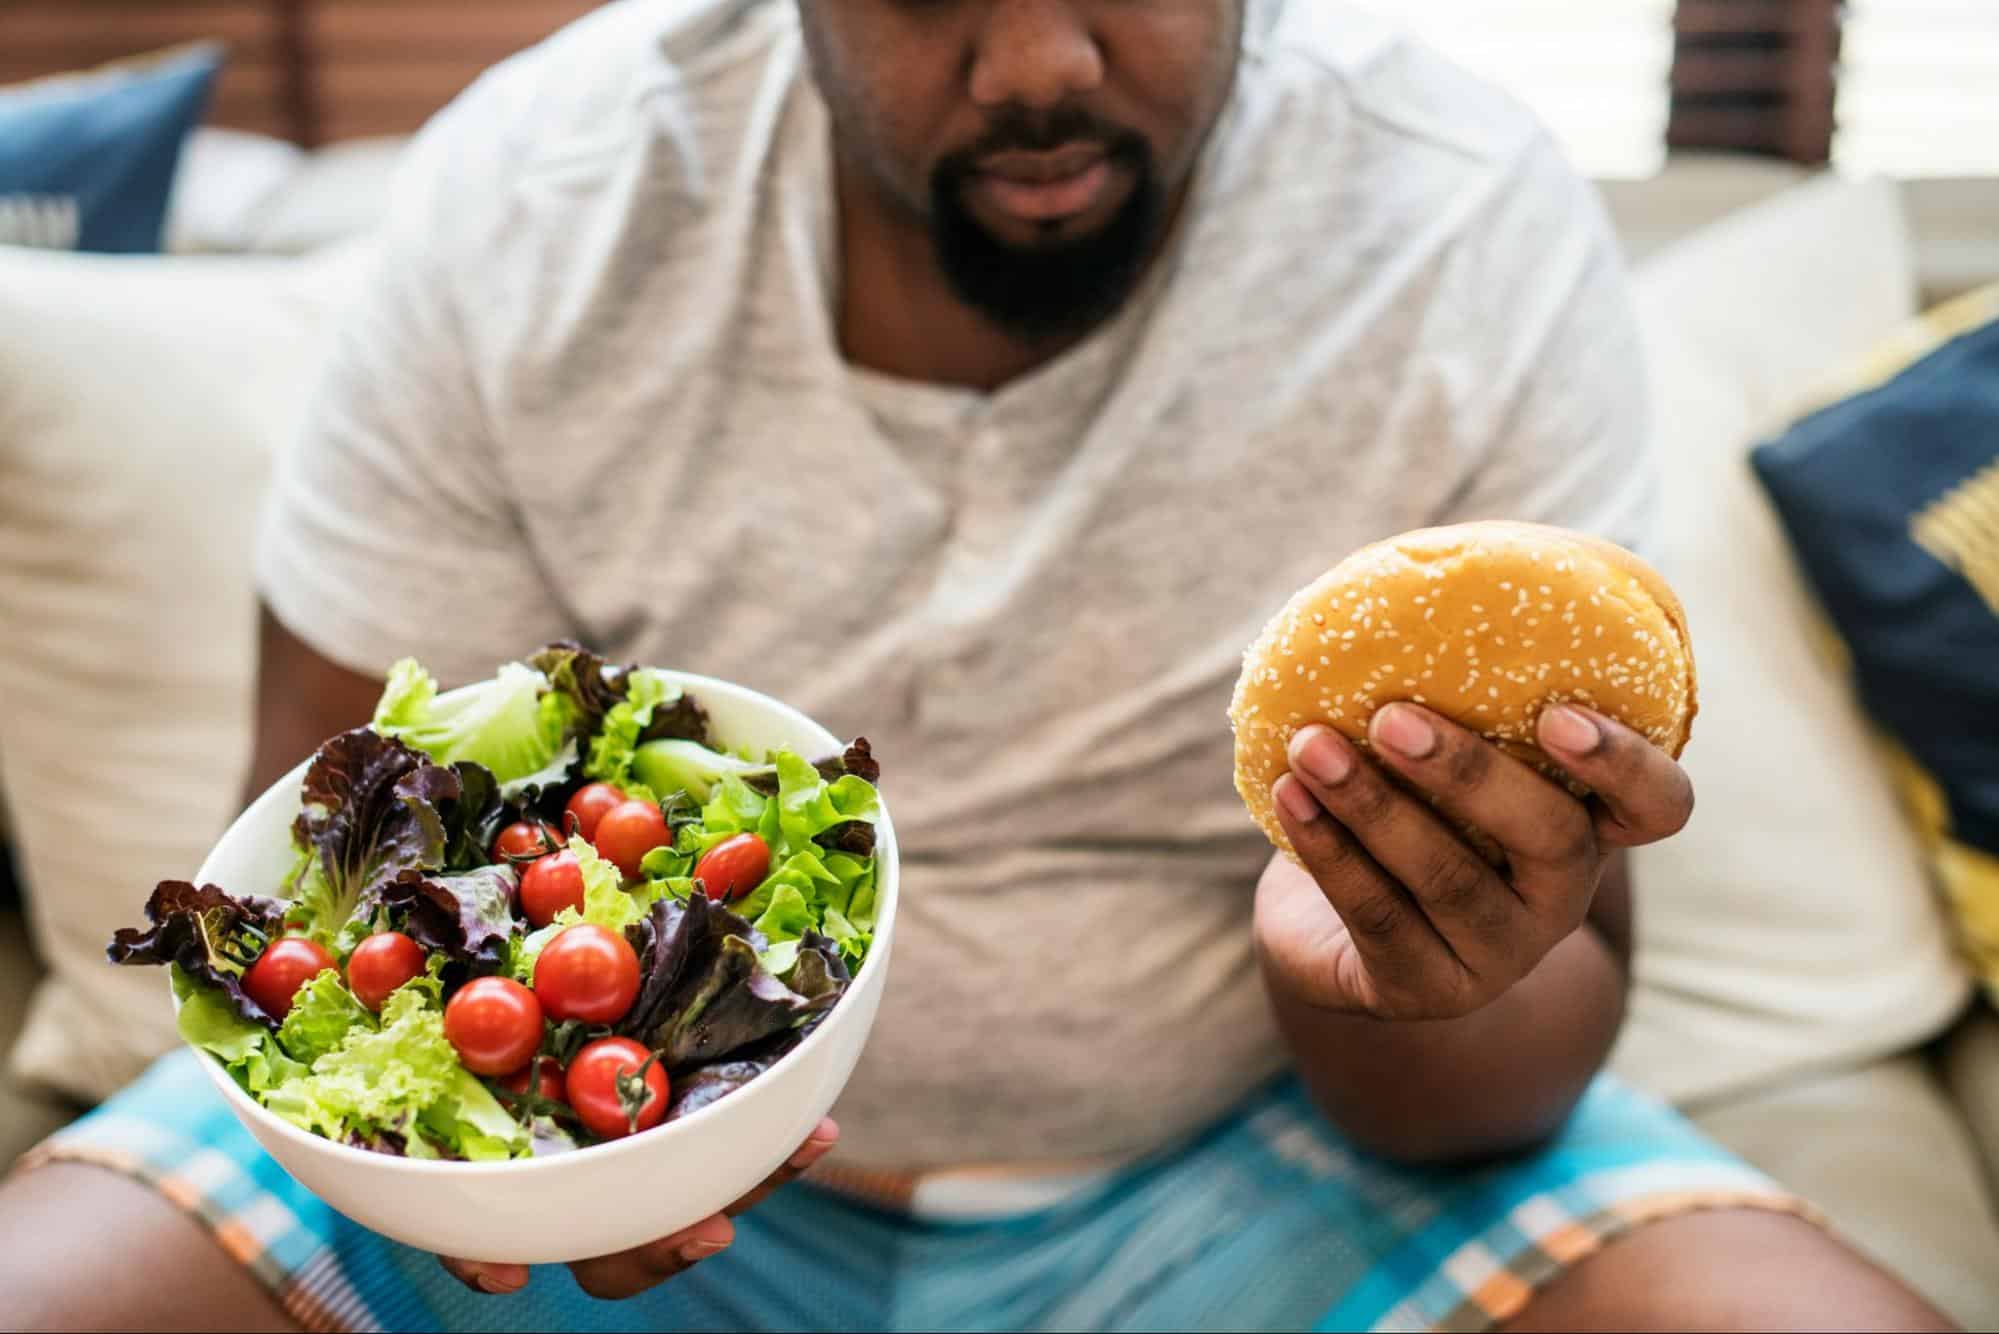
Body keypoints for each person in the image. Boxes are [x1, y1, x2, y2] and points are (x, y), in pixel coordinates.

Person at [0, 1, 1954, 1330]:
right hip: (606, 1159)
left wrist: (1387, 974)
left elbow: (1490, 1092)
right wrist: (492, 1160)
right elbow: (318, 865)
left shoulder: (1452, 221)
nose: (1041, 58)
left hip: (1259, 1144)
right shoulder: (534, 200)